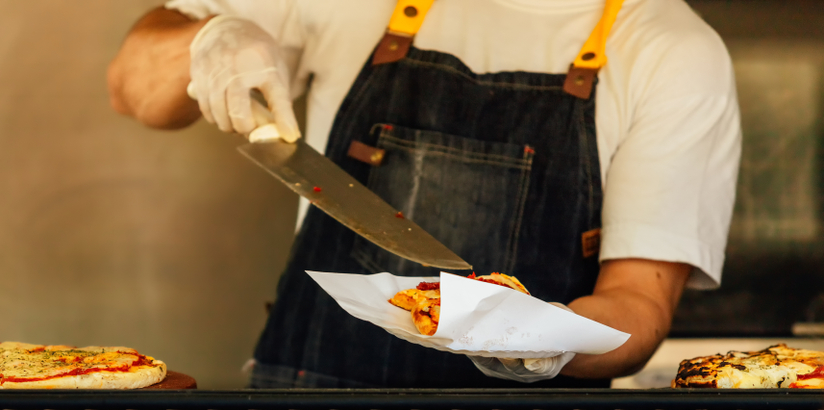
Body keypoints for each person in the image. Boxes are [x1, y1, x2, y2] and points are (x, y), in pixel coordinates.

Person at [107, 0, 740, 388]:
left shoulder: (673, 51)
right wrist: (207, 38)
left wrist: (543, 341)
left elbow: (637, 308)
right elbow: (131, 89)